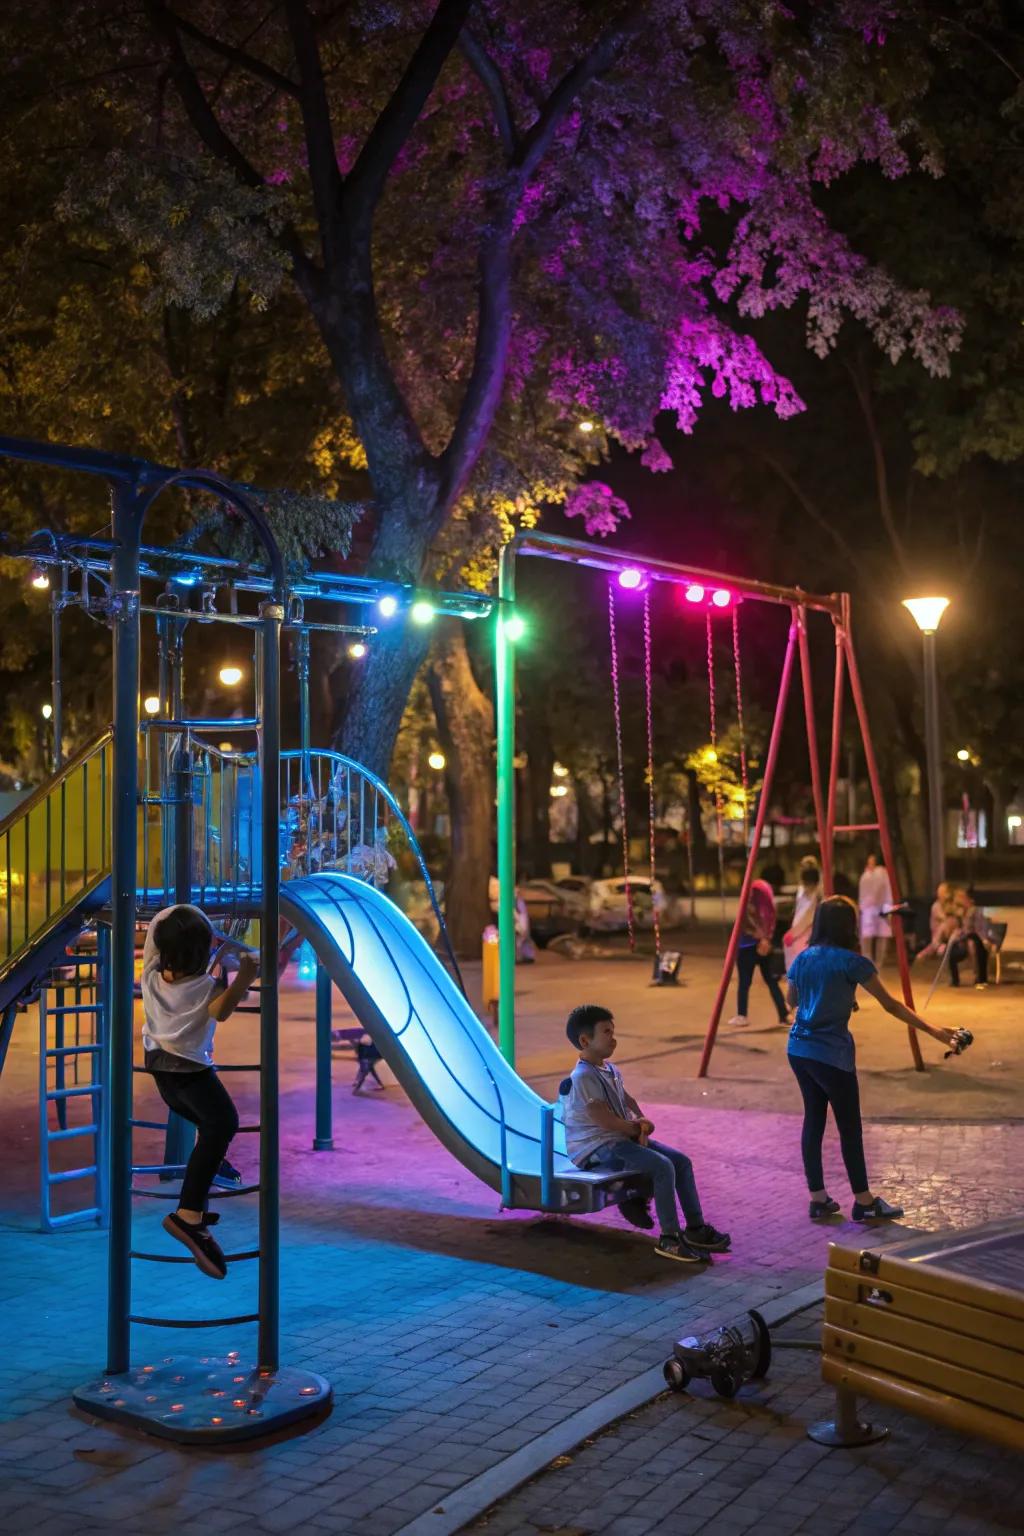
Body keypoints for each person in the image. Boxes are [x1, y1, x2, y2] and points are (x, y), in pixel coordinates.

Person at [786, 896, 956, 1222]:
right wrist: (935, 1031)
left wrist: (828, 998)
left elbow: (793, 1000)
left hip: (798, 1050)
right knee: (850, 1129)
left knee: (814, 1120)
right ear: (848, 925)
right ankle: (864, 1202)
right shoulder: (852, 962)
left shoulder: (803, 958)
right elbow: (891, 1005)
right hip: (831, 1055)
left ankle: (818, 1198)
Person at [561, 1004, 730, 1263]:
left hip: (618, 1140)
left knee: (681, 1162)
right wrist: (634, 1129)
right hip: (598, 1147)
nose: (613, 1037)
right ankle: (670, 1238)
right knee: (662, 1166)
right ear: (585, 1040)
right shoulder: (583, 1076)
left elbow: (626, 1100)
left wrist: (640, 1120)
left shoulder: (610, 1070)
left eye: (612, 1030)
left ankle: (695, 1229)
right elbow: (602, 1119)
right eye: (606, 1032)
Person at [142, 904, 258, 1279]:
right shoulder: (207, 986)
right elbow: (222, 1012)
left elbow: (162, 923)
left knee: (210, 1130)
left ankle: (211, 1162)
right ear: (204, 950)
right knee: (224, 1122)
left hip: (160, 1070)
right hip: (192, 1074)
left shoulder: (149, 976)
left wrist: (191, 921)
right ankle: (188, 1215)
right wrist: (248, 974)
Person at [729, 877, 790, 1027]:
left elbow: (745, 922)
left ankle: (742, 1015)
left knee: (744, 983)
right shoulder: (768, 901)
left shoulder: (750, 899)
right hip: (764, 946)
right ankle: (784, 1015)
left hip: (747, 946)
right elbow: (770, 919)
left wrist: (759, 936)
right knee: (771, 982)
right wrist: (766, 939)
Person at [783, 856, 822, 974]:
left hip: (807, 928)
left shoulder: (818, 893)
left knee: (805, 956)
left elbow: (811, 915)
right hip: (797, 925)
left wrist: (796, 931)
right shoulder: (800, 889)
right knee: (792, 953)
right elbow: (798, 908)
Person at [948, 888, 990, 989]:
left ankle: (978, 977)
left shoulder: (975, 910)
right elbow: (961, 928)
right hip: (965, 938)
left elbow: (979, 928)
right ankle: (955, 979)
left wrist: (984, 939)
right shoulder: (962, 912)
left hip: (976, 938)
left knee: (972, 944)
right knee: (951, 949)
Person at [857, 853, 892, 967]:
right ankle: (869, 961)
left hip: (880, 907)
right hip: (868, 908)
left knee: (881, 936)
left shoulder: (881, 873)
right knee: (867, 936)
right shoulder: (866, 874)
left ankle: (878, 963)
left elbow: (882, 890)